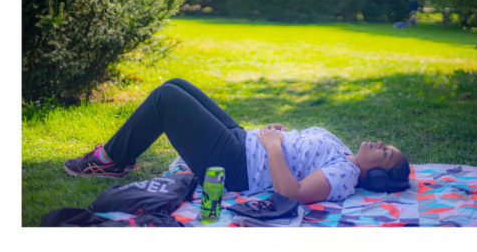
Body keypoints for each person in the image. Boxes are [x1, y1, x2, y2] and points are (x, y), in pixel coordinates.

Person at [64, 78, 410, 204]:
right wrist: (282, 135)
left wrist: (273, 146)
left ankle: (109, 160)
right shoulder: (344, 152)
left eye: (386, 152)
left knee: (166, 98)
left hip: (235, 166)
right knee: (178, 84)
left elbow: (292, 192)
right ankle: (115, 156)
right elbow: (300, 151)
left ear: (377, 175)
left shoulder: (344, 176)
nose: (381, 144)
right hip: (242, 140)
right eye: (386, 144)